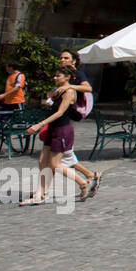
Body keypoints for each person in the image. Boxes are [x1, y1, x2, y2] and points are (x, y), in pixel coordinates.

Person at [19, 66, 91, 206]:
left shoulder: (70, 91)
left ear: (67, 77)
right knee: (42, 162)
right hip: (52, 129)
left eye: (58, 76)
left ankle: (82, 182)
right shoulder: (57, 90)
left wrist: (39, 125)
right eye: (55, 75)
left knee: (55, 164)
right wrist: (52, 94)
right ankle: (39, 195)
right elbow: (48, 98)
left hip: (62, 129)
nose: (55, 78)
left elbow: (60, 113)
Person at [57, 50, 100, 194]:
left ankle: (87, 177)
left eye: (66, 58)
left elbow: (88, 88)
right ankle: (89, 175)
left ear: (74, 60)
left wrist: (70, 86)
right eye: (61, 58)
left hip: (73, 112)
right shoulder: (62, 74)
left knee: (61, 156)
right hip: (66, 114)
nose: (62, 60)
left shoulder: (77, 74)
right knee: (63, 154)